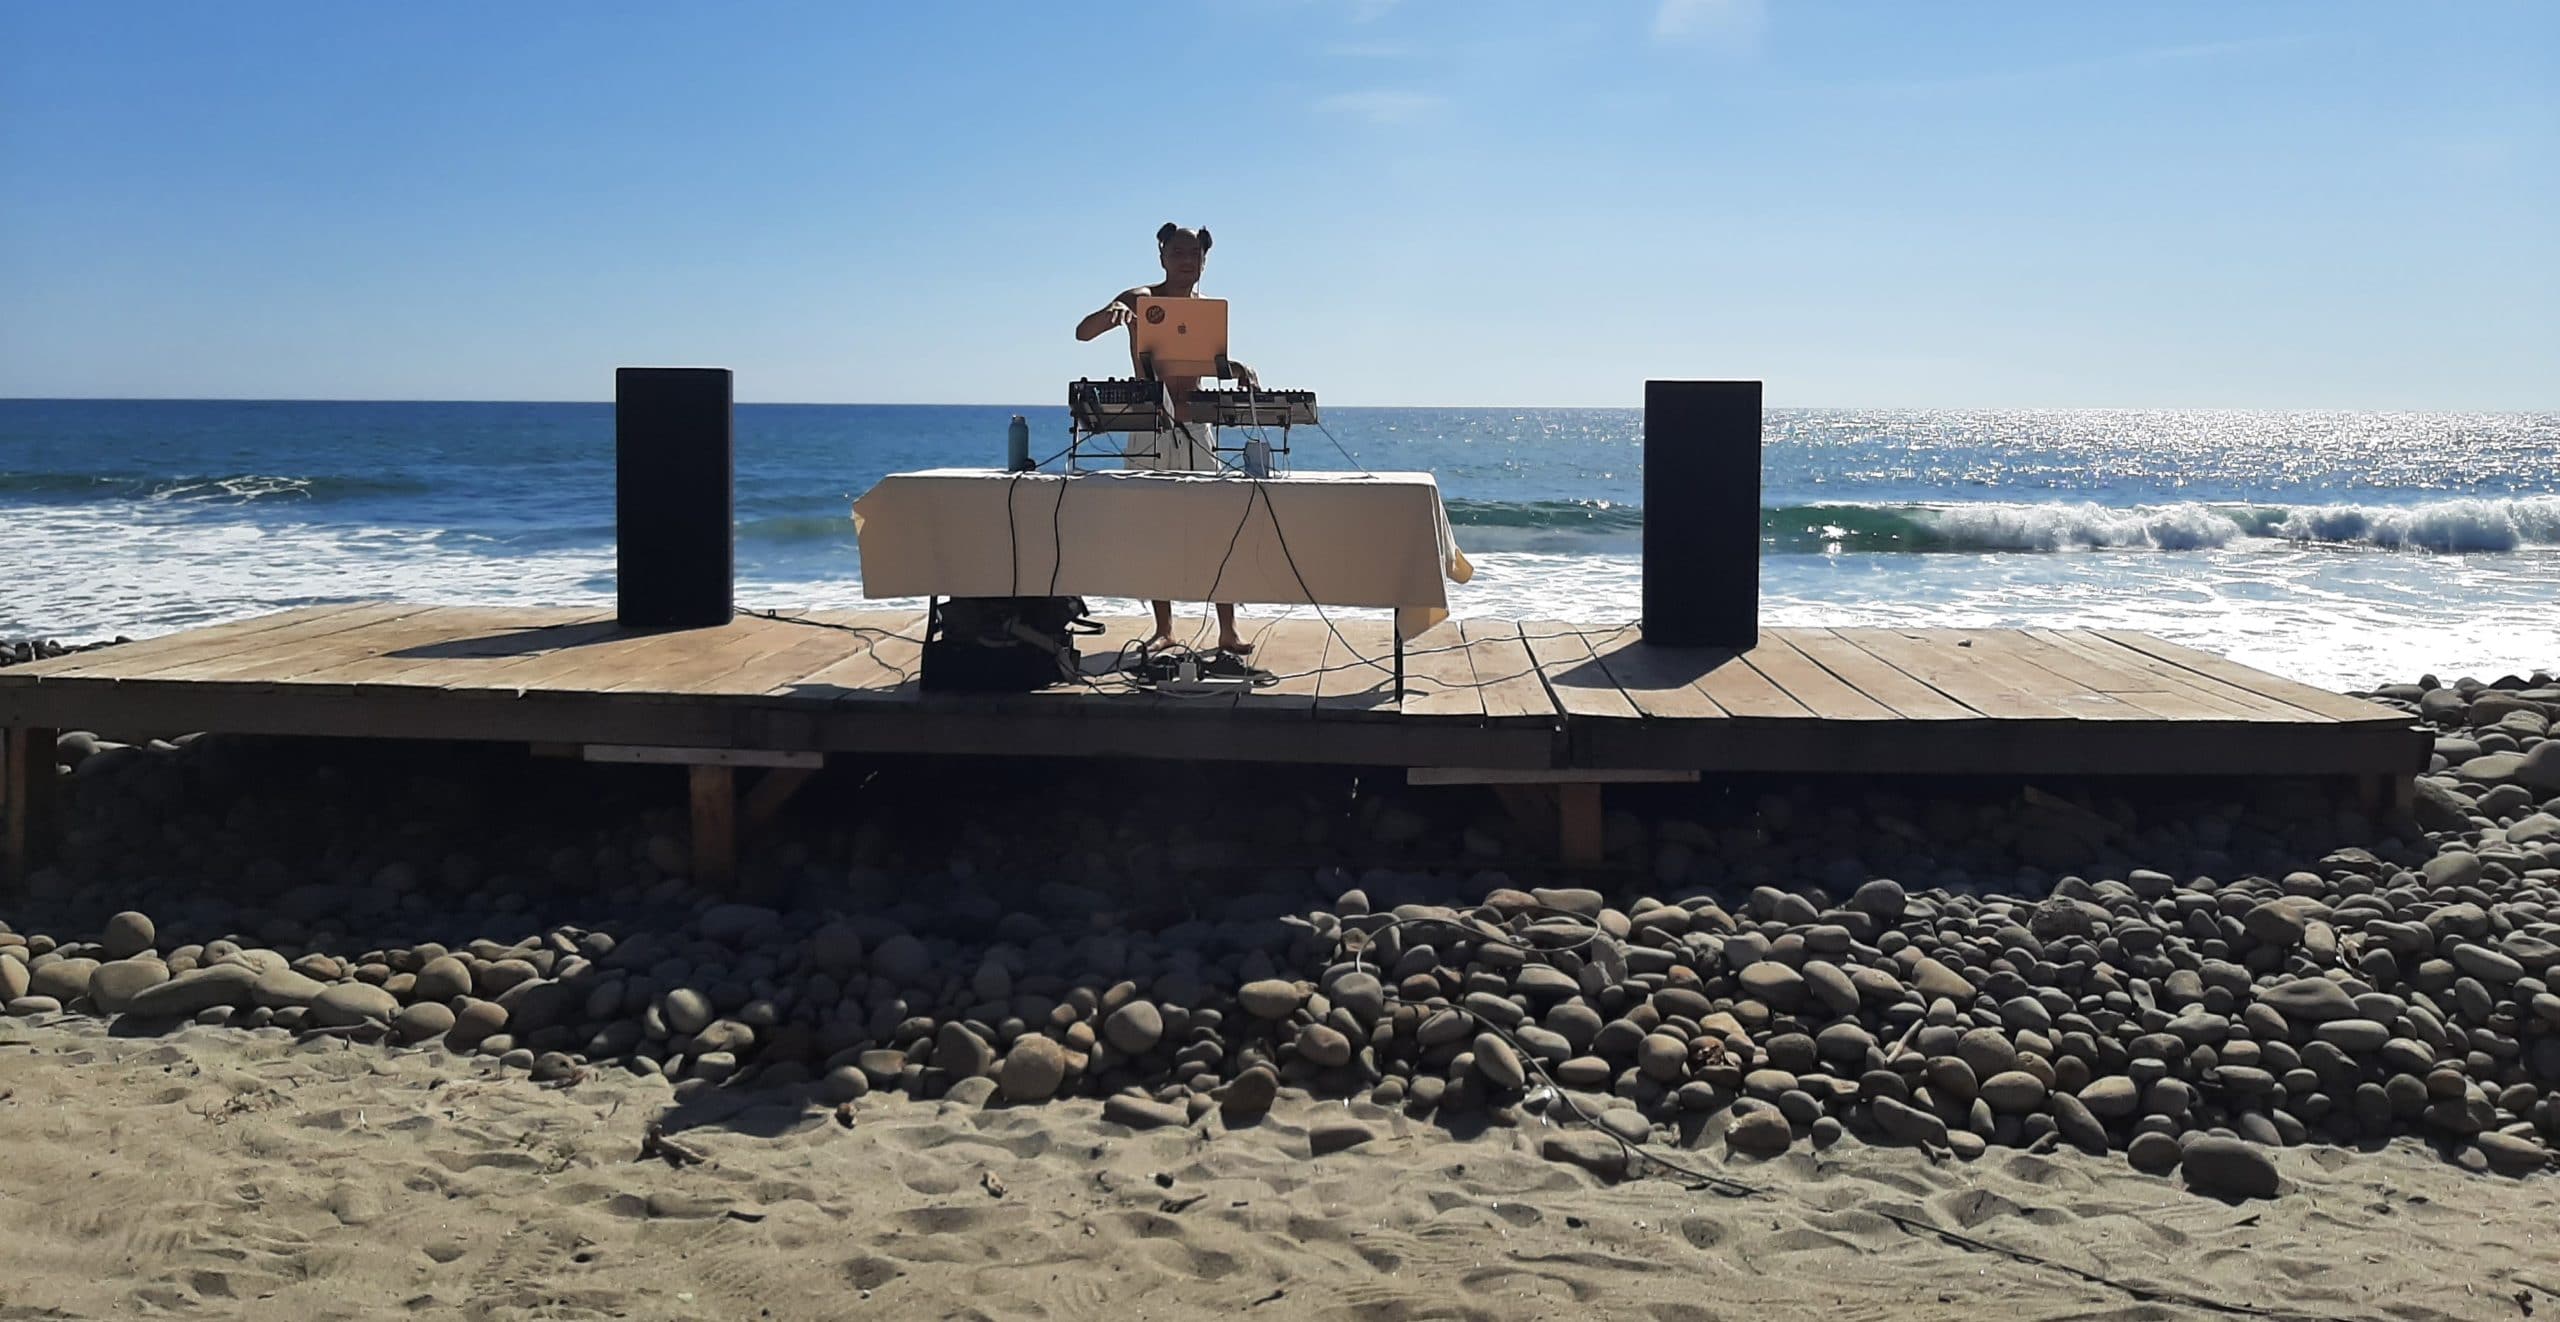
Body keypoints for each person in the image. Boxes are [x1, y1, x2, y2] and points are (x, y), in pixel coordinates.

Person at [1075, 222, 1259, 655]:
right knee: (1154, 527)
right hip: (1148, 426)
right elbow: (1083, 332)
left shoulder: (1207, 309)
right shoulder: (1140, 298)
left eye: (1194, 253)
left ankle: (1227, 629)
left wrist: (1238, 368)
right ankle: (1165, 628)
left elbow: (1210, 364)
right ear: (1161, 255)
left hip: (1196, 424)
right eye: (1177, 251)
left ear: (1204, 260)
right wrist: (1110, 316)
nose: (1186, 260)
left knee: (1215, 527)